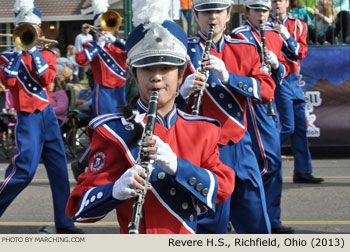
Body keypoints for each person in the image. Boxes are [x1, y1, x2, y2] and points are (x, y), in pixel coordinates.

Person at [65, 3, 235, 233]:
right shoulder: (114, 132)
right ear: (134, 73)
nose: (156, 78)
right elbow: (77, 208)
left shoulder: (202, 130)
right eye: (147, 69)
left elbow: (224, 188)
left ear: (182, 72)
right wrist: (114, 190)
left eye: (166, 68)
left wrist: (179, 167)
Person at [178, 0, 276, 234]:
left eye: (218, 11)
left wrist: (229, 78)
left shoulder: (245, 48)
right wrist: (182, 92)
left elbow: (267, 90)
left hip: (240, 144)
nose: (212, 17)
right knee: (211, 222)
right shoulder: (182, 51)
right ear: (196, 15)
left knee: (256, 218)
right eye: (206, 11)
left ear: (229, 14)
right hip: (203, 147)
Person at [0, 0, 83, 234]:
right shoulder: (7, 57)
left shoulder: (47, 54)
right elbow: (8, 81)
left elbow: (47, 80)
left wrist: (33, 51)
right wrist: (18, 54)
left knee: (59, 169)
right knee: (24, 171)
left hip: (47, 115)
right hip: (28, 118)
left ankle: (65, 222)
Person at [232, 0, 292, 234]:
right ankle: (259, 217)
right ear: (247, 11)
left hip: (270, 100)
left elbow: (288, 66)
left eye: (264, 10)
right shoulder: (240, 35)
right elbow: (236, 68)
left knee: (270, 162)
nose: (261, 15)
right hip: (252, 102)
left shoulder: (273, 33)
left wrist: (276, 65)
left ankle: (271, 217)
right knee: (268, 161)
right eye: (256, 10)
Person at [71, 0, 128, 181]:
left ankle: (104, 164)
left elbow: (132, 52)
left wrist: (116, 41)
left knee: (121, 129)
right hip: (103, 93)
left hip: (121, 91)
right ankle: (82, 163)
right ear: (96, 30)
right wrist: (99, 45)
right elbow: (80, 60)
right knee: (103, 130)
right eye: (102, 29)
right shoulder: (92, 47)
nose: (105, 32)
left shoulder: (119, 45)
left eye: (108, 28)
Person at [270, 0, 324, 184]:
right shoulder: (266, 26)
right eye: (273, 1)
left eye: (280, 1)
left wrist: (287, 37)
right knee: (287, 126)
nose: (277, 4)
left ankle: (302, 171)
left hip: (293, 79)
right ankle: (263, 156)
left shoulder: (298, 25)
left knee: (300, 128)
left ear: (287, 3)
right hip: (278, 78)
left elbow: (302, 52)